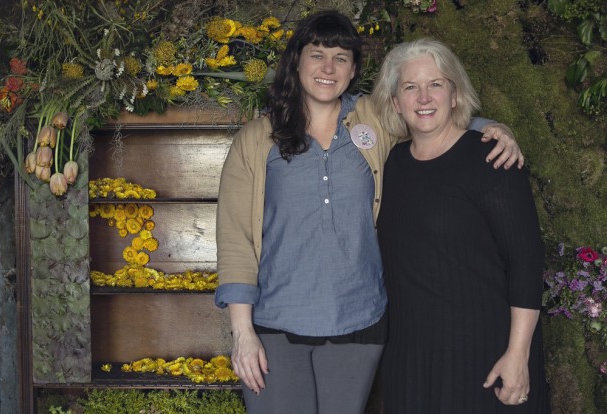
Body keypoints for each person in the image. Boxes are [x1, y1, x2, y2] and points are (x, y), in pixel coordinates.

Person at [215, 11, 523, 414]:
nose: (328, 67)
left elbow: (431, 119)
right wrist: (243, 333)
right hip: (275, 322)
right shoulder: (256, 139)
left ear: (354, 68)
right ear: (296, 61)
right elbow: (236, 238)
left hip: (359, 321)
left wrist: (496, 128)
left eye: (341, 57)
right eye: (317, 54)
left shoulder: (374, 120)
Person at [372, 38, 550, 413]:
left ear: (454, 95)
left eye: (436, 84)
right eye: (410, 87)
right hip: (411, 359)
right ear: (394, 103)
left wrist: (518, 355)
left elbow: (526, 262)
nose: (424, 97)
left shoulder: (490, 159)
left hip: (486, 355)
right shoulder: (392, 164)